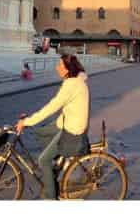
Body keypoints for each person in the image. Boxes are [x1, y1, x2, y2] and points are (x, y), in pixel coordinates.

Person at [16, 53, 90, 200]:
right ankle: (57, 163)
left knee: (43, 160)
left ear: (68, 69)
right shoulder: (77, 81)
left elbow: (51, 107)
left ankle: (50, 197)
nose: (57, 68)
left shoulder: (71, 85)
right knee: (40, 132)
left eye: (60, 65)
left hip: (72, 131)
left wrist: (27, 121)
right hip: (68, 123)